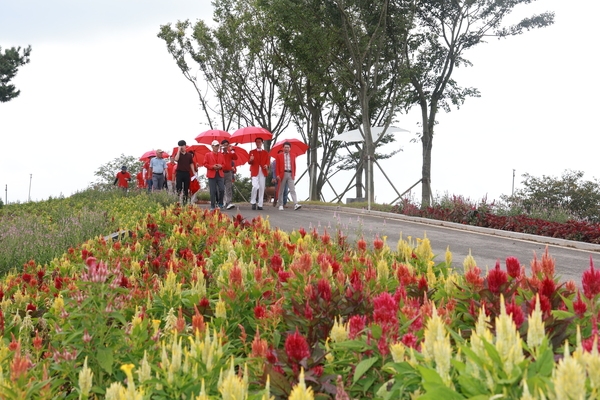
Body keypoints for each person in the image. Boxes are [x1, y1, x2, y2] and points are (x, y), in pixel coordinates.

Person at [275, 141, 302, 211]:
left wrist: (294, 174)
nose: (286, 148)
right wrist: (277, 174)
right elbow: (277, 166)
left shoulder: (293, 155)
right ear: (283, 148)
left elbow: (294, 165)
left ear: (290, 148)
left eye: (288, 147)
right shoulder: (279, 156)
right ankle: (280, 204)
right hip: (282, 174)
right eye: (285, 147)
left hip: (290, 173)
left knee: (292, 189)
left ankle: (296, 204)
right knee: (281, 189)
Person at [248, 137, 270, 210]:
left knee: (261, 187)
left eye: (259, 142)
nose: (258, 143)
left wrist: (267, 165)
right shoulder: (252, 152)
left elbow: (268, 162)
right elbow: (249, 162)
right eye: (257, 142)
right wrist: (251, 160)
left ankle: (260, 204)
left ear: (262, 143)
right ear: (255, 143)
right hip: (254, 171)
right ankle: (253, 202)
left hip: (262, 170)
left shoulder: (265, 153)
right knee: (255, 186)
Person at [203, 140, 226, 210]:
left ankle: (220, 203)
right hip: (211, 174)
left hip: (220, 174)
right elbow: (205, 164)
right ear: (212, 146)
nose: (217, 147)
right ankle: (213, 206)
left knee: (222, 189)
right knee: (213, 191)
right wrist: (212, 166)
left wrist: (220, 166)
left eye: (217, 146)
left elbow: (224, 164)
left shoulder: (221, 155)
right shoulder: (207, 154)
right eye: (215, 146)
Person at [174, 140, 197, 204]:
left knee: (186, 188)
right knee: (179, 187)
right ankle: (177, 201)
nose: (182, 147)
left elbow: (191, 163)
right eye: (180, 146)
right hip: (179, 173)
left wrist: (193, 172)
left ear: (185, 146)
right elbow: (176, 159)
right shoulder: (177, 154)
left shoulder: (189, 155)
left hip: (186, 173)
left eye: (183, 146)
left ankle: (185, 201)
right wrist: (178, 151)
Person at [220, 139, 238, 210]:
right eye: (224, 145)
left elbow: (236, 157)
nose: (225, 146)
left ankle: (229, 202)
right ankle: (223, 202)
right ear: (222, 145)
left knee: (229, 188)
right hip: (221, 172)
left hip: (229, 172)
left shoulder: (230, 153)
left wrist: (232, 150)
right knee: (221, 189)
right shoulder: (219, 154)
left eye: (227, 145)